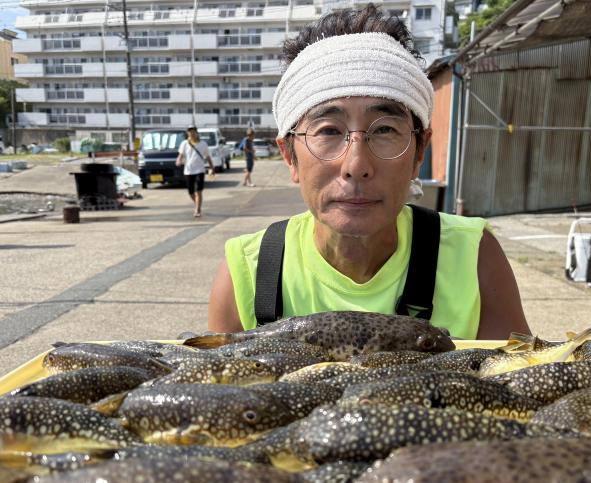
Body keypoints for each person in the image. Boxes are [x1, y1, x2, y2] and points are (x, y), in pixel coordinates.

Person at [207, 4, 530, 340]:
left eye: (385, 130)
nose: (356, 166)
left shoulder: (473, 258)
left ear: (420, 150)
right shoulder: (250, 272)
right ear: (289, 155)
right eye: (329, 131)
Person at [176, 126, 215, 218]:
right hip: (188, 171)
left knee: (198, 191)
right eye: (190, 132)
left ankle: (197, 209)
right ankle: (198, 204)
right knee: (190, 192)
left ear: (197, 133)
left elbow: (208, 157)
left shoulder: (203, 144)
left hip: (200, 170)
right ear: (188, 133)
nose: (192, 133)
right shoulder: (184, 143)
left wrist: (212, 167)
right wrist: (178, 160)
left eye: (193, 132)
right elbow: (180, 155)